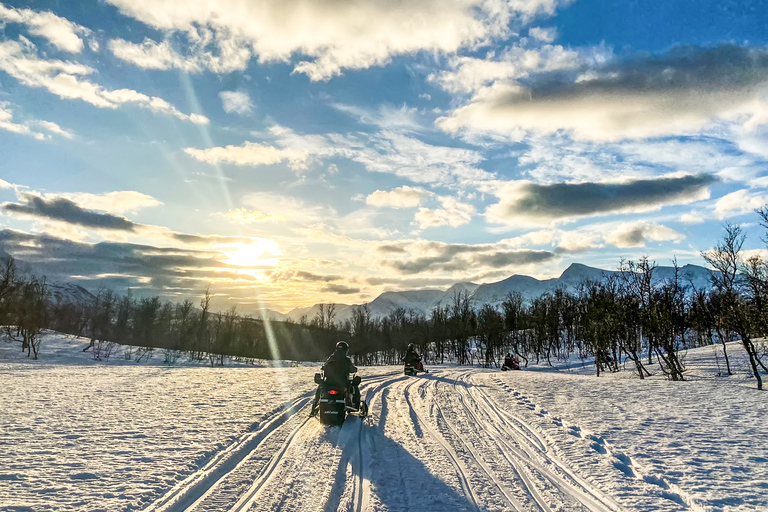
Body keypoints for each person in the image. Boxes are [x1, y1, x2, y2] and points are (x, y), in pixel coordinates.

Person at [310, 341, 359, 417]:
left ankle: (315, 406)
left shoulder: (331, 358)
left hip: (329, 382)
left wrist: (325, 368)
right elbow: (352, 369)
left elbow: (325, 366)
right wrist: (354, 369)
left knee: (320, 387)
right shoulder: (346, 360)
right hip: (343, 382)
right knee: (354, 387)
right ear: (346, 350)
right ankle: (355, 405)